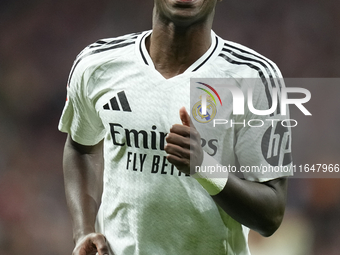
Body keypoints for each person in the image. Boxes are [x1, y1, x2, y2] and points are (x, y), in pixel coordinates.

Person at [59, 0, 293, 254]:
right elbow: (80, 147)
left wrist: (204, 168)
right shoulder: (97, 64)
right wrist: (83, 231)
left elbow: (270, 215)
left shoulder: (255, 77)